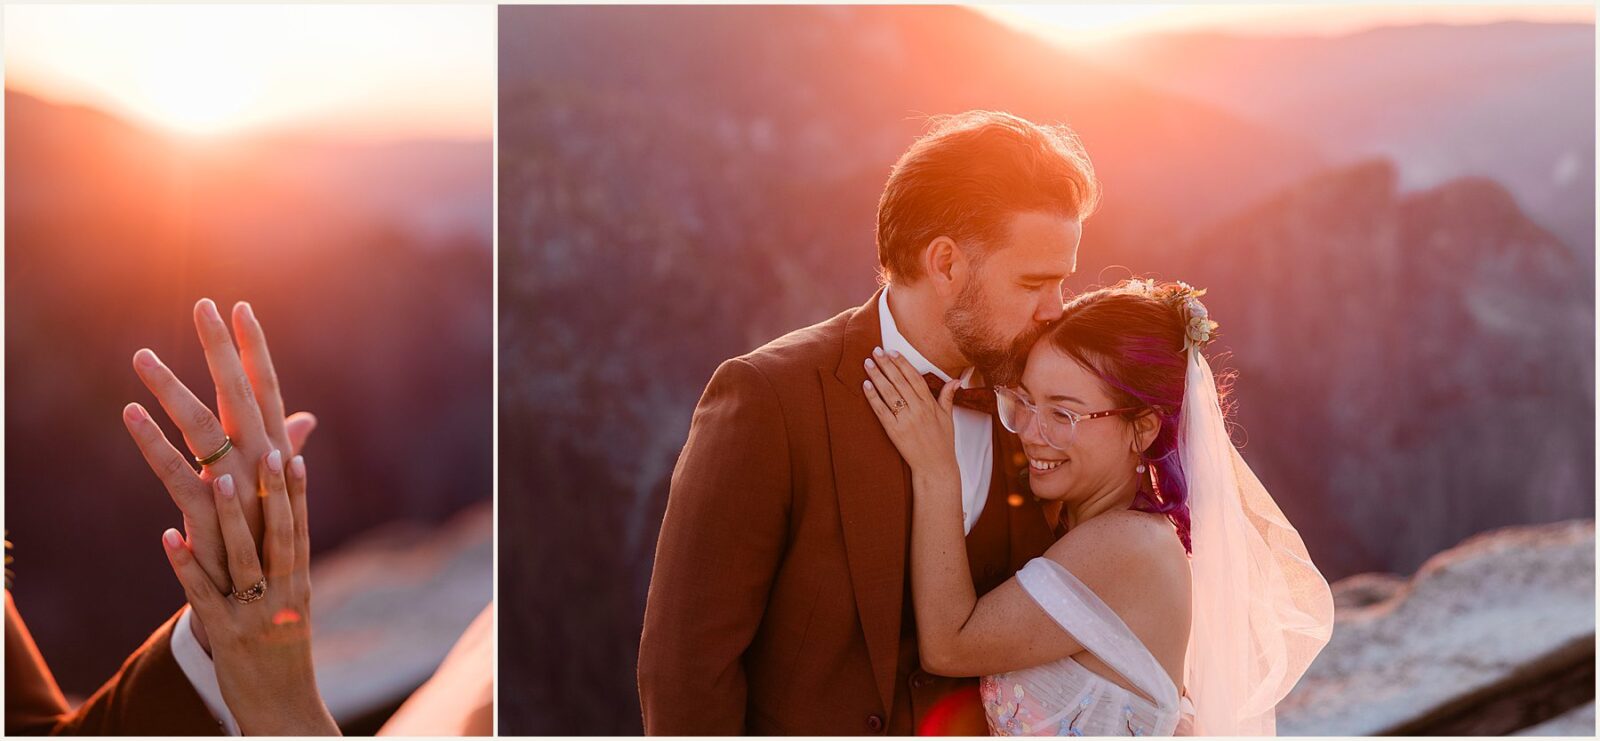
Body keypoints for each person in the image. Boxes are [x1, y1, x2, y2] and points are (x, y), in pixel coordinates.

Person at [638, 110, 1099, 734]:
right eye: (1034, 282)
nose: (1056, 311)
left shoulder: (1047, 402)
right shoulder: (768, 398)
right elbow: (686, 669)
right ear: (945, 264)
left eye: (1062, 283)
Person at [862, 279, 1335, 735]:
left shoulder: (1127, 545)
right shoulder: (1106, 531)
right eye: (1026, 401)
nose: (1029, 431)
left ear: (1143, 428)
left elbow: (949, 647)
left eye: (1063, 414)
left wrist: (936, 472)